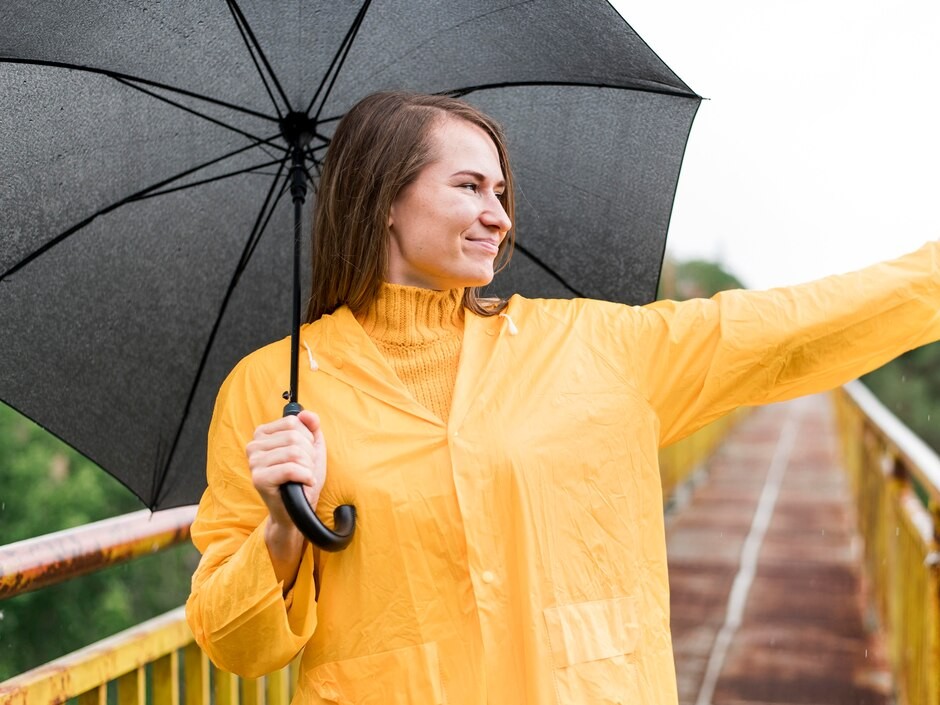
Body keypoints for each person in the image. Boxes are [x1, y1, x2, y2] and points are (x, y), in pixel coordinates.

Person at [185, 91, 940, 705]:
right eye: (470, 187)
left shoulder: (591, 347)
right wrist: (282, 534)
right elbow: (234, 645)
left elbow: (781, 330)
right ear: (385, 198)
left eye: (502, 192)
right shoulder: (272, 388)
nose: (501, 216)